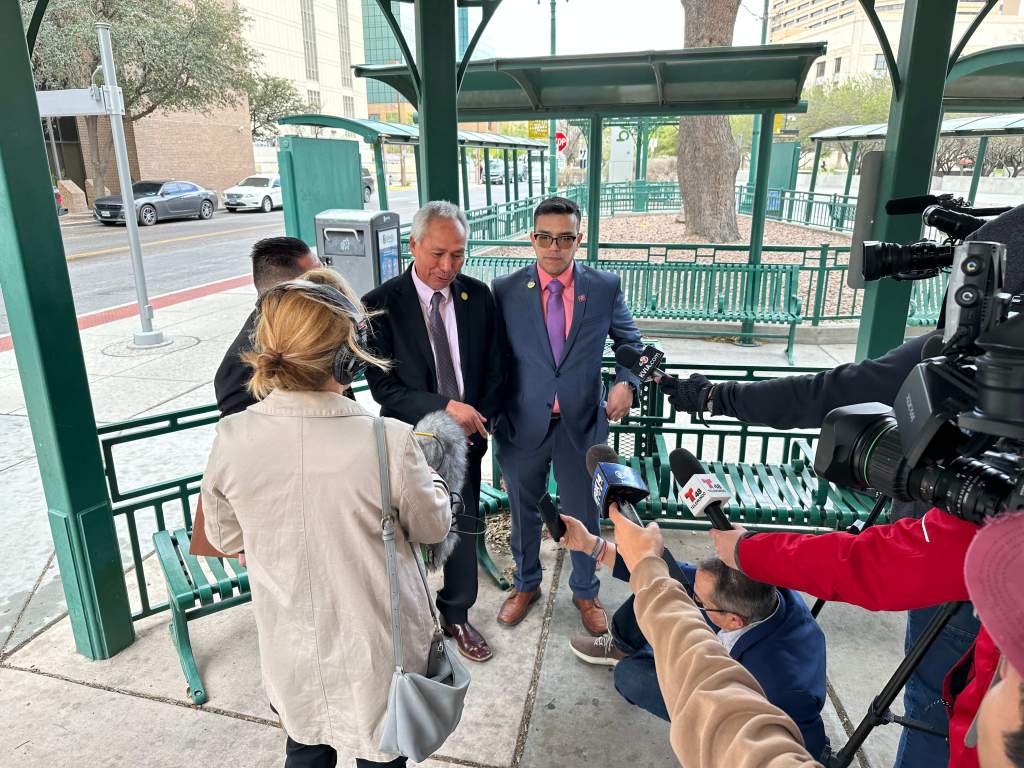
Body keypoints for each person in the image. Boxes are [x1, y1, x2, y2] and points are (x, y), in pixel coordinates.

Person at [201, 269, 453, 768]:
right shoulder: (389, 441)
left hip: (289, 641)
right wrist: (438, 482)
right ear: (347, 356)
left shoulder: (231, 439)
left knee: (305, 744)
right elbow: (432, 528)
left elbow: (225, 535)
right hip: (378, 650)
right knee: (381, 750)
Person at [710, 508, 997, 768]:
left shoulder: (1000, 524)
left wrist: (747, 552)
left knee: (932, 713)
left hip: (962, 593)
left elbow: (873, 563)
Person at [559, 514, 829, 760]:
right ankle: (624, 645)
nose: (693, 597)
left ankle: (643, 661)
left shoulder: (787, 689)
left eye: (699, 600)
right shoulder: (759, 586)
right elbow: (674, 577)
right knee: (661, 588)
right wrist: (591, 545)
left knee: (629, 675)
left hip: (727, 701)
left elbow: (801, 746)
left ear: (733, 620)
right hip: (732, 646)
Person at [492, 195, 642, 635]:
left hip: (580, 423)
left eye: (564, 238)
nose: (553, 247)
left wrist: (625, 380)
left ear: (580, 238)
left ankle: (585, 589)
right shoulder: (504, 290)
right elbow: (491, 358)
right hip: (521, 424)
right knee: (523, 508)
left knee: (583, 510)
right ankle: (525, 584)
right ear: (531, 238)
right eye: (544, 237)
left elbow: (629, 342)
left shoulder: (604, 287)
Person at [362, 200, 504, 663]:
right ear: (413, 245)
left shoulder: (478, 297)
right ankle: (410, 617)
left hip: (467, 440)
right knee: (405, 531)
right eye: (438, 254)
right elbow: (384, 387)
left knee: (461, 522)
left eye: (458, 255)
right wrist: (447, 408)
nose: (447, 266)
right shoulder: (379, 305)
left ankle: (457, 613)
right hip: (410, 440)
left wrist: (480, 419)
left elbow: (496, 371)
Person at [214, 236, 320, 417]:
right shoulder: (241, 367)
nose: (327, 282)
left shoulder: (310, 326)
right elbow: (244, 436)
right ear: (292, 290)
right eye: (318, 277)